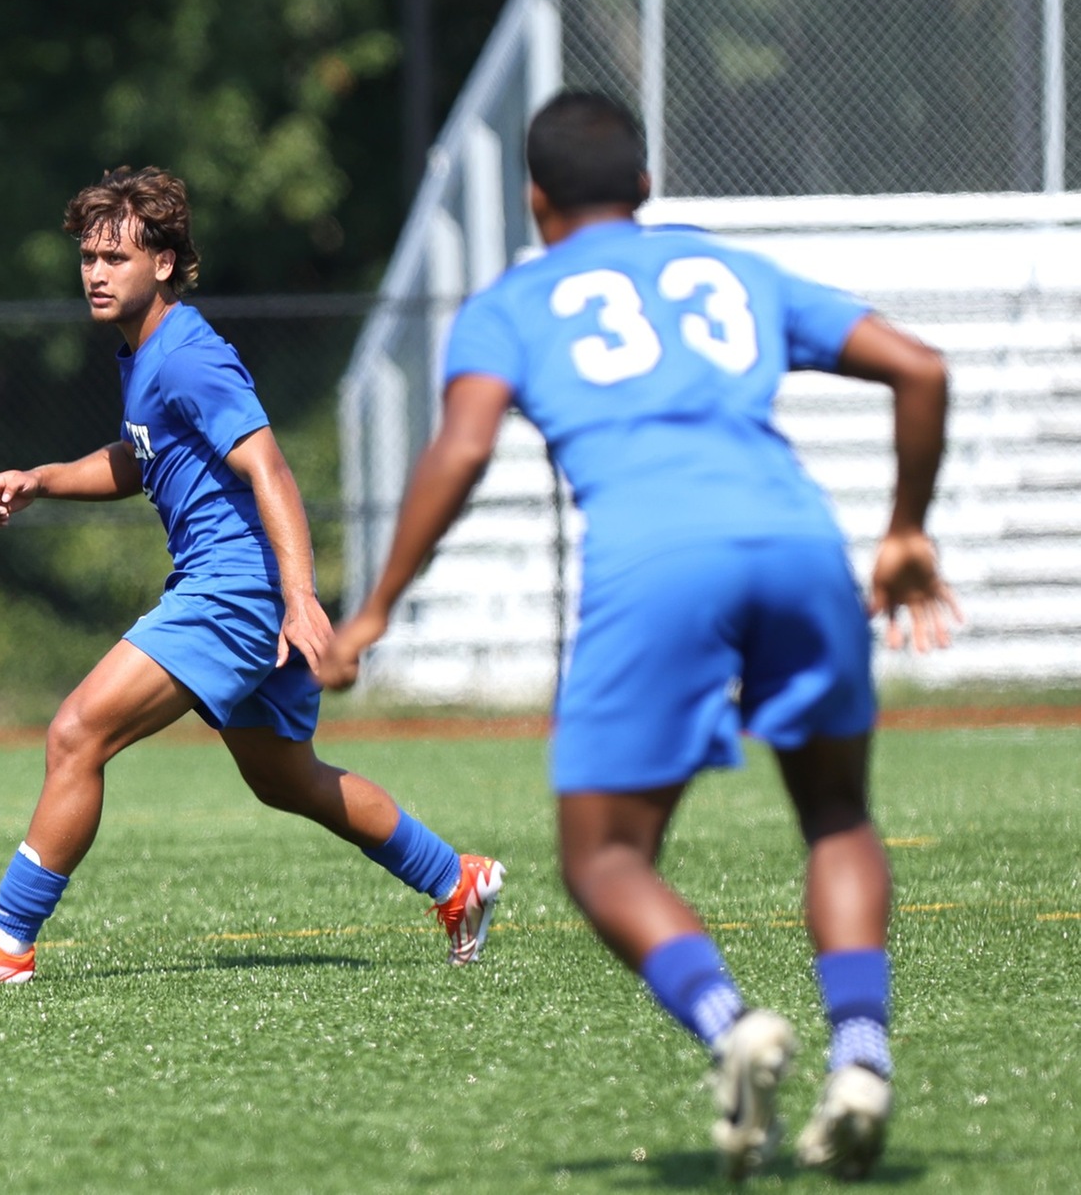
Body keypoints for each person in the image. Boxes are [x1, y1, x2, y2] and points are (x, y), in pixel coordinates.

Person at [318, 90, 952, 1180]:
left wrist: (372, 608)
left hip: (656, 561)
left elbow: (461, 451)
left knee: (603, 855)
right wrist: (901, 530)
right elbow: (920, 367)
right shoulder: (729, 272)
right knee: (836, 812)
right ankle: (860, 1056)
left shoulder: (511, 304)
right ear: (646, 189)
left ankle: (727, 1025)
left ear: (533, 200)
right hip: (797, 541)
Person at [0, 167, 502, 984]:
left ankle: (6, 939)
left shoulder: (186, 356)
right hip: (233, 585)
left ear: (165, 264)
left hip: (237, 587)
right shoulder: (142, 356)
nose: (97, 273)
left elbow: (271, 471)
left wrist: (296, 599)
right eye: (88, 258)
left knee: (77, 732)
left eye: (116, 257)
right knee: (286, 780)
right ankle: (453, 879)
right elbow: (138, 459)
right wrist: (43, 478)